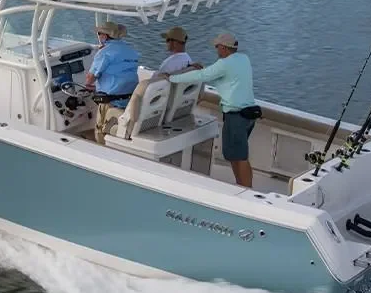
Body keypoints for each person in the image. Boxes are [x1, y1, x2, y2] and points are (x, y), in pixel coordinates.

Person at [158, 32, 259, 187]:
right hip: (249, 115)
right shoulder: (243, 59)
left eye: (217, 46)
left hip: (236, 116)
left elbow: (202, 76)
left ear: (224, 48)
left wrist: (172, 78)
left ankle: (247, 191)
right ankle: (241, 186)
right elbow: (225, 79)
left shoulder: (224, 64)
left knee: (240, 157)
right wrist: (201, 70)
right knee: (234, 155)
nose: (216, 49)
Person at [86, 20, 139, 145]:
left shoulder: (104, 52)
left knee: (100, 131)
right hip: (128, 99)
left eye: (99, 34)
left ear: (105, 36)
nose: (98, 36)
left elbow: (90, 79)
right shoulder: (130, 50)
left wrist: (89, 84)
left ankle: (101, 147)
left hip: (110, 101)